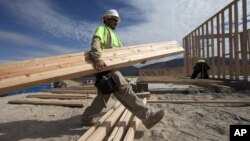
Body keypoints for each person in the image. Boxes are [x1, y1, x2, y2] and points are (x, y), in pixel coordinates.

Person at [81, 9, 164, 129]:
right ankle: (147, 117)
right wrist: (98, 58)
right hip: (104, 68)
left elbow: (124, 55)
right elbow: (95, 43)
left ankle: (86, 118)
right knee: (124, 88)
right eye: (113, 19)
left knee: (104, 95)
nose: (115, 22)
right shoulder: (102, 29)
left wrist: (139, 59)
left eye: (116, 20)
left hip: (112, 68)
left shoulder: (116, 38)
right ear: (106, 19)